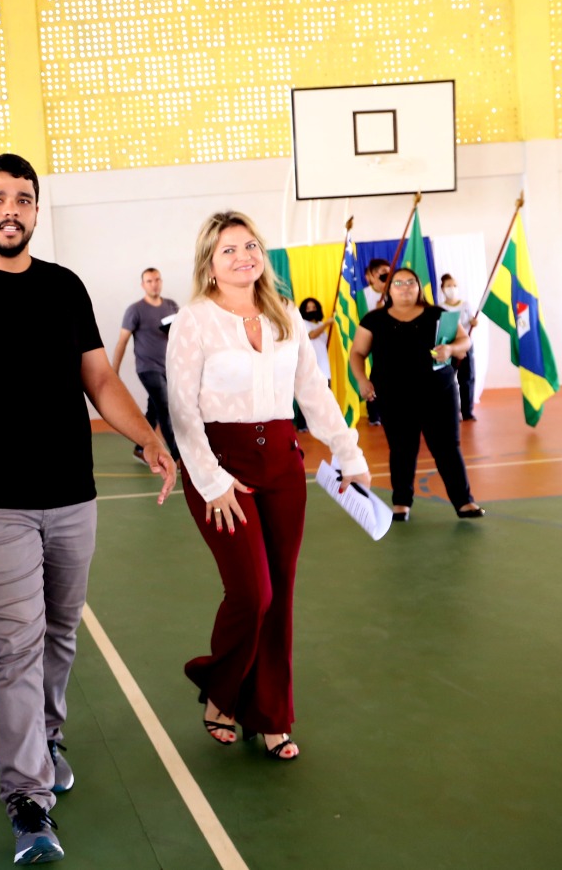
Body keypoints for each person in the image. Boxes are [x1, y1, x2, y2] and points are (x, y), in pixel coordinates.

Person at [0, 153, 175, 865]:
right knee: (15, 644)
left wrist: (145, 436)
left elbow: (99, 379)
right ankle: (27, 799)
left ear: (36, 210)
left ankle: (47, 736)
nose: (10, 209)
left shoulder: (63, 287)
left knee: (59, 632)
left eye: (22, 198)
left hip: (71, 493)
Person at [166, 210, 371, 762]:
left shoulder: (286, 316)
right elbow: (182, 410)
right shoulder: (193, 321)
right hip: (221, 467)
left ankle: (272, 714)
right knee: (252, 592)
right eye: (229, 250)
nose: (243, 257)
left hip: (283, 463)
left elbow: (314, 392)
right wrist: (211, 480)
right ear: (209, 263)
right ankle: (220, 687)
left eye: (251, 246)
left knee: (280, 595)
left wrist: (348, 453)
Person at [350, 267, 484, 521]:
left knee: (447, 447)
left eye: (411, 282)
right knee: (401, 448)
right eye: (398, 283)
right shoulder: (374, 319)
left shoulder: (438, 314)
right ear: (388, 289)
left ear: (419, 287)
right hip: (393, 395)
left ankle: (464, 501)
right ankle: (401, 502)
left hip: (439, 393)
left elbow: (464, 341)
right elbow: (357, 352)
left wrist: (450, 349)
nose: (405, 288)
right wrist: (362, 380)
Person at [110, 267, 181, 463]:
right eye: (149, 281)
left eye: (157, 280)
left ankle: (140, 448)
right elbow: (122, 341)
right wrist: (113, 372)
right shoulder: (135, 310)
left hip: (169, 367)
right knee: (165, 408)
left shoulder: (171, 306)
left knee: (154, 410)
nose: (154, 284)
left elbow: (182, 335)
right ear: (143, 285)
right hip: (148, 368)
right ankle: (177, 457)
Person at [439, 273, 479, 421]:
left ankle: (467, 411)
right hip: (448, 347)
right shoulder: (440, 308)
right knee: (447, 379)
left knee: (467, 378)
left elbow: (471, 321)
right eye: (449, 286)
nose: (452, 288)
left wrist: (474, 323)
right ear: (443, 289)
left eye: (454, 285)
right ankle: (451, 411)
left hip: (466, 346)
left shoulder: (466, 305)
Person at [292, 297, 332, 431]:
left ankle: (321, 424)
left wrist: (324, 325)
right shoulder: (302, 323)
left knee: (324, 396)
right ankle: (303, 425)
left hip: (324, 366)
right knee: (308, 397)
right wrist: (327, 324)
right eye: (308, 308)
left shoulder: (320, 324)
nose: (311, 310)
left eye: (313, 307)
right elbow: (312, 335)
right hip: (309, 366)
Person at [360, 259, 390, 426]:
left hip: (392, 344)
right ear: (370, 276)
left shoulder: (395, 293)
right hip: (371, 343)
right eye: (382, 273)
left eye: (389, 272)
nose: (387, 276)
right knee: (373, 379)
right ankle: (374, 414)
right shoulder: (362, 295)